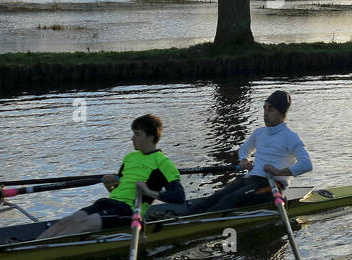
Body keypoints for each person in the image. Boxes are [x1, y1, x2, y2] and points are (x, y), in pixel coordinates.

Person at [152, 90, 311, 219]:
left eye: (271, 109)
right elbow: (245, 149)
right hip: (252, 179)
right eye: (264, 108)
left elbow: (306, 164)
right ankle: (179, 216)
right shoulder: (259, 133)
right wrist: (244, 159)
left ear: (282, 113)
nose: (265, 113)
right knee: (216, 196)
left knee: (229, 199)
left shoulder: (290, 137)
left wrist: (278, 172)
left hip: (272, 186)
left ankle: (190, 223)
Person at [40, 114, 185, 239]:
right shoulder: (130, 157)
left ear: (151, 137)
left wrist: (148, 192)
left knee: (85, 223)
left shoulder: (163, 163)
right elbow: (118, 189)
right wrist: (109, 184)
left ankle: (40, 252)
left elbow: (179, 196)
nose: (132, 138)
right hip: (109, 203)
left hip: (129, 211)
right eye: (133, 134)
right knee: (67, 221)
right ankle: (33, 245)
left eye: (137, 134)